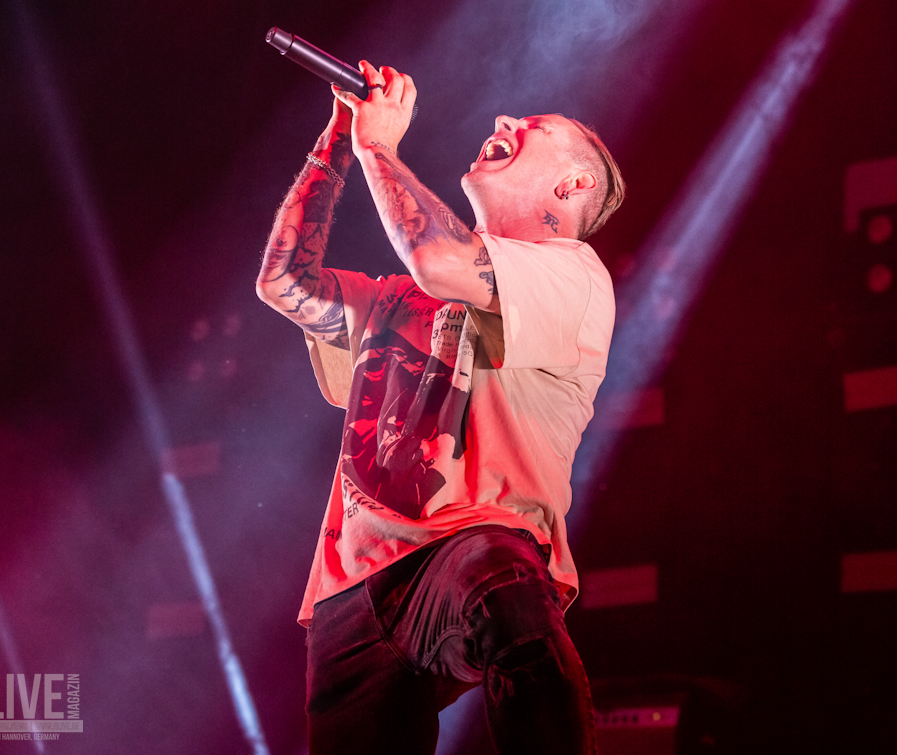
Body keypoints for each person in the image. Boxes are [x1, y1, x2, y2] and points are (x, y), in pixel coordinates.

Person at [256, 60, 624, 755]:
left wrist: (377, 146)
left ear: (573, 185)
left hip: (468, 540)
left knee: (505, 596)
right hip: (350, 583)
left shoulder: (572, 274)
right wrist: (337, 142)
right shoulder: (398, 298)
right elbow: (283, 282)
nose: (504, 120)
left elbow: (442, 260)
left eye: (535, 128)